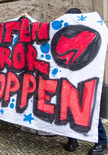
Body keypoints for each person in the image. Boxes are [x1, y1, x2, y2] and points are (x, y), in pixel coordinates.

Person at [63, 8, 107, 154]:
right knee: (67, 110)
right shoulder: (64, 34)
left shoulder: (91, 33)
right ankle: (72, 139)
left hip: (87, 81)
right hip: (67, 81)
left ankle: (102, 141)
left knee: (89, 111)